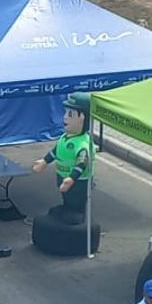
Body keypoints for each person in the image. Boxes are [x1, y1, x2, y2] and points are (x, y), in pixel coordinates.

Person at [31, 93, 94, 223]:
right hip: (62, 176)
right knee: (66, 196)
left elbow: (82, 162)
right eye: (65, 113)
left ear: (82, 118)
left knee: (75, 198)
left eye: (70, 115)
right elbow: (56, 151)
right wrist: (44, 161)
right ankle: (67, 207)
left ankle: (77, 212)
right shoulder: (65, 137)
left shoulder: (83, 143)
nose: (65, 118)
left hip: (78, 182)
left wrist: (72, 178)